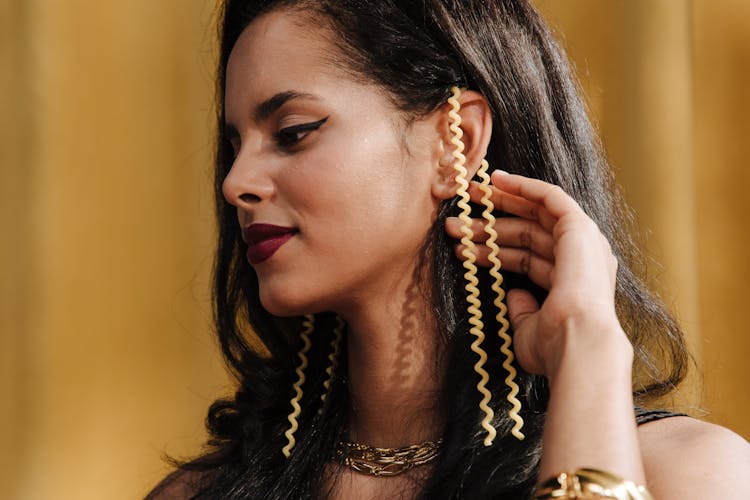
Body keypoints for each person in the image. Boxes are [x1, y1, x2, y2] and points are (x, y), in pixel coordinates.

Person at [148, 1, 750, 498]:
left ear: (453, 138)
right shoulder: (203, 493)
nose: (235, 183)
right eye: (235, 146)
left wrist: (587, 352)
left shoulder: (690, 475)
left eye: (293, 133)